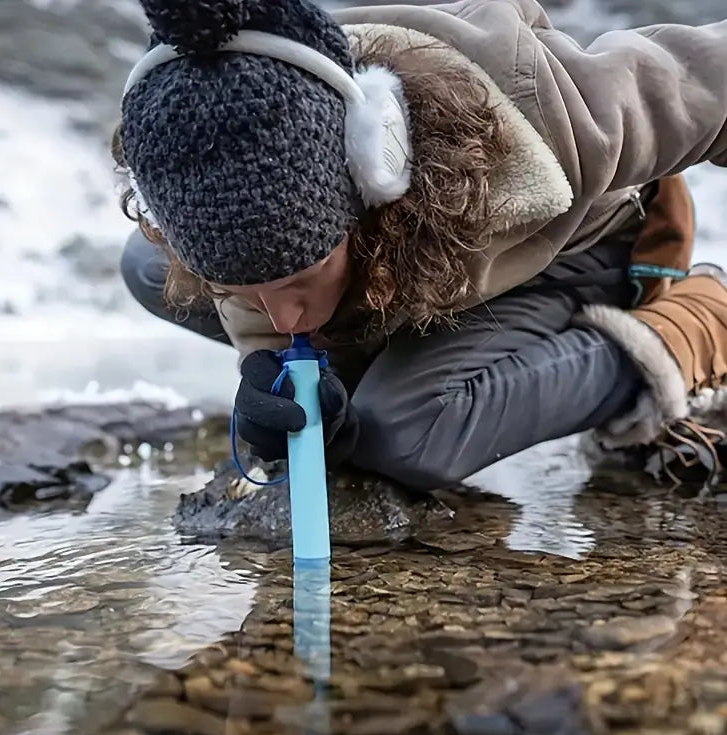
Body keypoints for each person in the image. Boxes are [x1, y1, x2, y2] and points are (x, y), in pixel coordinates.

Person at [113, 0, 727, 490]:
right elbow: (264, 277)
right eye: (245, 291)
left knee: (402, 436)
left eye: (299, 279)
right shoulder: (244, 160)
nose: (283, 315)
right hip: (395, 270)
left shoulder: (543, 112)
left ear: (373, 169)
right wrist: (264, 362)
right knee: (147, 267)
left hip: (565, 258)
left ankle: (698, 324)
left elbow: (712, 77)